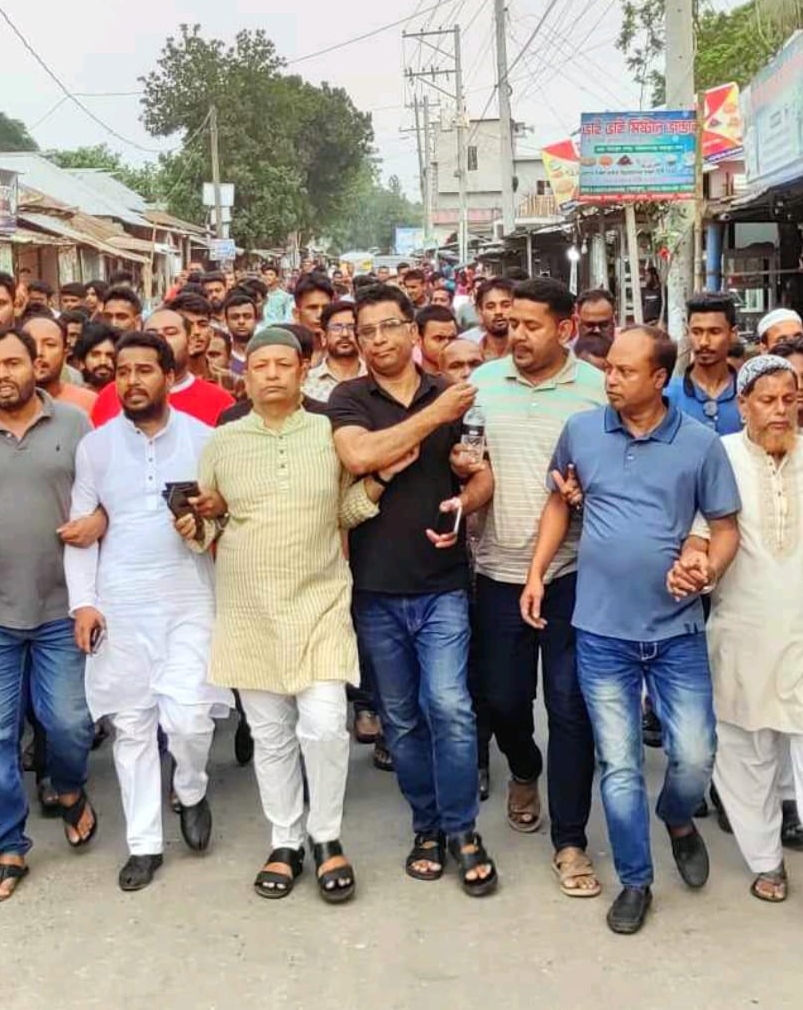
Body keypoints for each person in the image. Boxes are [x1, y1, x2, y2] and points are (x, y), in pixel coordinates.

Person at [524, 325, 741, 935]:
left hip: (677, 630)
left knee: (695, 755)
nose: (610, 379)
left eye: (624, 371)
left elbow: (725, 527)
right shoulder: (582, 431)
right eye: (609, 369)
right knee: (618, 765)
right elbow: (559, 500)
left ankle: (677, 815)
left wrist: (706, 570)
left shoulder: (700, 444)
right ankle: (635, 880)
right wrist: (537, 573)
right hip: (600, 630)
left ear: (659, 378)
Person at [193, 327, 395, 903]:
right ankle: (285, 840)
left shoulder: (329, 433)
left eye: (284, 364)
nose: (273, 374)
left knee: (326, 726)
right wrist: (193, 520)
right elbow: (208, 524)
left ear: (303, 370)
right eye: (261, 366)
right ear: (246, 376)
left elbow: (345, 511)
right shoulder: (222, 442)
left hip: (320, 601)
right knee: (271, 734)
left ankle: (326, 836)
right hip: (249, 608)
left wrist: (379, 482)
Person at [329, 283, 498, 896]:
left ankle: (461, 828)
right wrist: (434, 416)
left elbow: (483, 476)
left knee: (450, 707)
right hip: (375, 588)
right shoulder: (350, 398)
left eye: (388, 327)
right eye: (365, 331)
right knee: (400, 720)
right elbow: (360, 456)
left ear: (411, 331)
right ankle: (426, 826)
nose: (377, 341)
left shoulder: (448, 394)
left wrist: (464, 498)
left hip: (443, 583)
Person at [667, 354, 803, 953]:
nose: (779, 410)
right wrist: (694, 564)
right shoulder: (719, 457)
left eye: (788, 399)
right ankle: (766, 860)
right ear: (743, 406)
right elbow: (699, 534)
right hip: (740, 632)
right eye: (766, 400)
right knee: (746, 753)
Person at [65, 331, 229, 892]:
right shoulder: (96, 447)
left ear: (169, 375)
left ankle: (191, 787)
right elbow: (80, 532)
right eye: (123, 372)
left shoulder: (207, 441)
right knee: (132, 726)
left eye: (144, 370)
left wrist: (206, 519)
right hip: (120, 601)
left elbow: (224, 521)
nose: (131, 381)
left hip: (188, 596)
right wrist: (84, 603)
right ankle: (144, 844)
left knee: (189, 719)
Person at [467, 277, 607, 898]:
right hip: (497, 570)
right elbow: (466, 455)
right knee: (502, 699)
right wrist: (464, 470)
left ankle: (570, 841)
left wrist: (586, 493)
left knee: (570, 706)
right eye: (512, 324)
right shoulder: (483, 384)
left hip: (575, 573)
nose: (516, 334)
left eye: (531, 325)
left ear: (565, 329)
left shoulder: (597, 390)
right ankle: (524, 766)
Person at [0, 328, 95, 902]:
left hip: (61, 605)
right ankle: (9, 846)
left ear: (36, 364)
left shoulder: (75, 425)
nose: (3, 374)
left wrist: (98, 521)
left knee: (69, 724)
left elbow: (102, 497)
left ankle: (70, 787)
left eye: (14, 362)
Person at [90, 309, 234, 428]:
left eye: (170, 333)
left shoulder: (220, 401)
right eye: (152, 334)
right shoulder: (110, 395)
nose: (161, 338)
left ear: (190, 342)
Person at [667, 293, 741, 435]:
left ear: (733, 334)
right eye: (696, 332)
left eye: (714, 332)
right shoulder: (668, 396)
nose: (704, 342)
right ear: (687, 332)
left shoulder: (749, 395)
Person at [20, 314, 97, 415]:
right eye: (31, 344)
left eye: (50, 344)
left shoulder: (89, 403)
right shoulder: (4, 403)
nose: (39, 352)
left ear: (66, 351)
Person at [174, 291, 243, 397]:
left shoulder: (232, 382)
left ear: (211, 332)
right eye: (188, 325)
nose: (196, 332)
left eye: (202, 325)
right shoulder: (163, 382)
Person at [304, 301, 364, 404]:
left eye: (351, 327)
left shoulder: (376, 377)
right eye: (336, 328)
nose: (344, 334)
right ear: (324, 336)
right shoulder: (307, 382)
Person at [292, 275, 335, 363]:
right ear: (296, 313)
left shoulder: (343, 349)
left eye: (326, 307)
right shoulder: (286, 349)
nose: (320, 315)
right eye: (312, 308)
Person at [72, 323, 119, 394]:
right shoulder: (71, 397)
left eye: (110, 355)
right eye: (95, 355)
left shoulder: (125, 398)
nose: (103, 362)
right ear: (82, 362)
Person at [415, 305, 459, 376]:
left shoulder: (467, 376)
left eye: (452, 338)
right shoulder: (410, 380)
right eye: (439, 338)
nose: (447, 344)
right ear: (418, 340)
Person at [223, 289, 258, 375]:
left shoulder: (266, 352)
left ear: (256, 320)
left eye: (247, 316)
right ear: (226, 322)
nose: (241, 321)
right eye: (235, 317)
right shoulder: (222, 356)